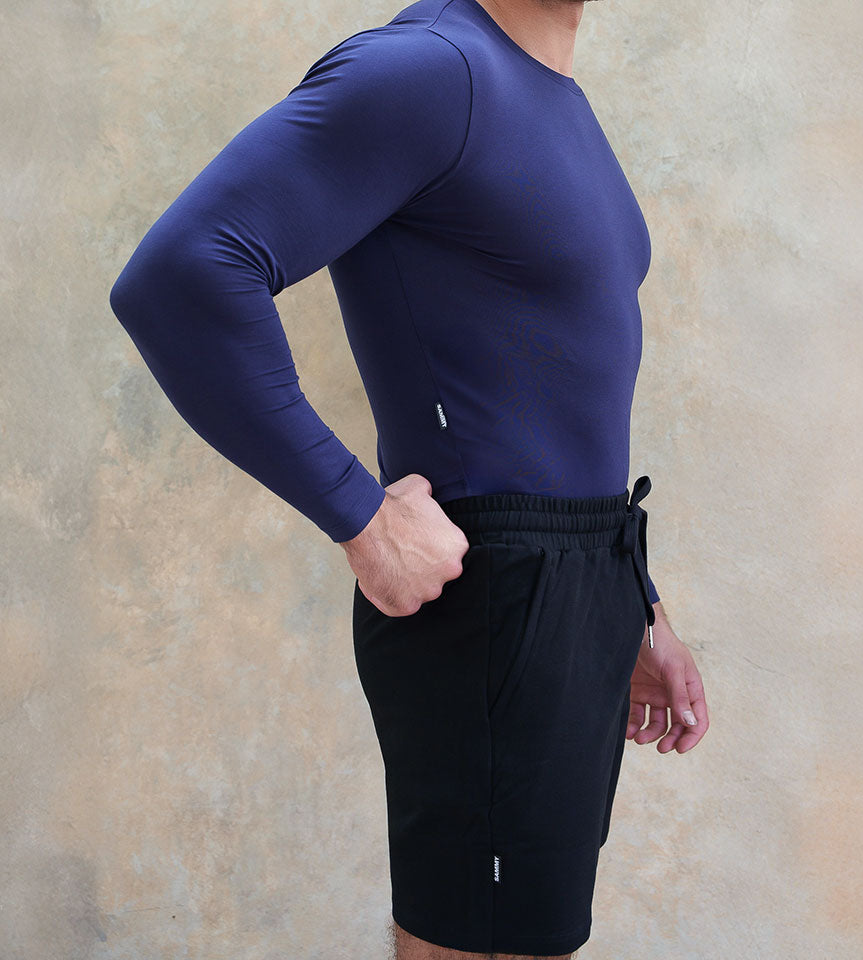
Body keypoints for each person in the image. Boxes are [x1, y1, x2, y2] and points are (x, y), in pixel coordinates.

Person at [109, 0, 710, 956]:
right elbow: (181, 276)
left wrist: (638, 607)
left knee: (534, 938)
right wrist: (361, 515)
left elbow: (563, 389)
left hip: (581, 581)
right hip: (496, 596)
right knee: (475, 943)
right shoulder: (431, 71)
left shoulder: (555, 95)